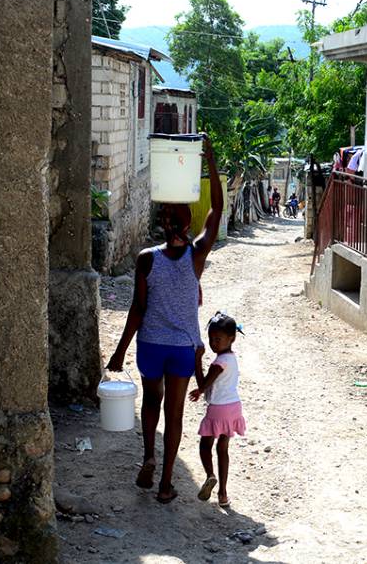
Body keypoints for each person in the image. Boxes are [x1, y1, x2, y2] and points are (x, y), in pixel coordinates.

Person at [106, 134, 223, 504]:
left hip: (151, 345)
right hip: (181, 348)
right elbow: (216, 209)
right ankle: (167, 483)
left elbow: (137, 310)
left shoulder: (145, 258)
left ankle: (148, 457)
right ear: (188, 225)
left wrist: (119, 351)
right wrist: (211, 162)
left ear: (162, 223)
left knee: (150, 403)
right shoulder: (197, 254)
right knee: (175, 415)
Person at [190, 311, 246, 508]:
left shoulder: (217, 364)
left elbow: (203, 384)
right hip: (234, 408)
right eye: (211, 339)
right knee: (223, 449)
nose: (214, 343)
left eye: (218, 339)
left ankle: (210, 475)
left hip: (218, 409)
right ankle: (223, 494)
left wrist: (197, 361)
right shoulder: (232, 358)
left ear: (232, 339)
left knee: (205, 445)